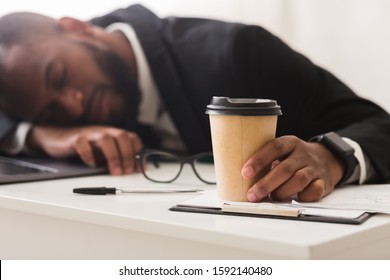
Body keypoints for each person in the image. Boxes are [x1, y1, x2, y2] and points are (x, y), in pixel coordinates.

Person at [0, 4, 389, 202]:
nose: (73, 104)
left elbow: (379, 125)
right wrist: (39, 134)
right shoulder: (50, 82)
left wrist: (330, 155)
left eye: (60, 76)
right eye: (52, 111)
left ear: (76, 27)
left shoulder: (238, 54)